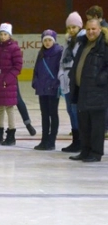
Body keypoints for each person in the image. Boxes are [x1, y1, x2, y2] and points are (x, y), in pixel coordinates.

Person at [68, 19, 108, 162]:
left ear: (99, 29)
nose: (91, 32)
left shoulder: (104, 45)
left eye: (94, 29)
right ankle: (85, 151)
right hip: (82, 90)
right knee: (84, 124)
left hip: (97, 92)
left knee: (96, 126)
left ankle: (96, 153)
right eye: (89, 29)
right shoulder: (83, 44)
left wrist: (100, 79)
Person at [0, 23, 23, 146]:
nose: (2, 36)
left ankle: (11, 135)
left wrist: (7, 80)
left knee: (9, 108)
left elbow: (17, 66)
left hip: (8, 84)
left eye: (5, 34)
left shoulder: (14, 48)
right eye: (1, 34)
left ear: (9, 35)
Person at [58, 11, 85, 152]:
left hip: (76, 80)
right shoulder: (68, 42)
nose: (71, 30)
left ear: (79, 27)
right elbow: (62, 61)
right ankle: (75, 140)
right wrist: (61, 75)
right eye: (69, 27)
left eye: (74, 27)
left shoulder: (82, 41)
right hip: (66, 80)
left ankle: (81, 140)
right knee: (70, 110)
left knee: (75, 110)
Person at [32, 30, 63, 150]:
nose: (47, 42)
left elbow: (60, 69)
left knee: (53, 113)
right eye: (45, 40)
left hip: (53, 88)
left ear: (54, 41)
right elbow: (36, 69)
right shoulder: (41, 53)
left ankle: (51, 140)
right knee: (44, 114)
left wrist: (56, 83)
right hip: (42, 88)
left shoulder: (59, 52)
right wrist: (35, 82)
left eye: (50, 40)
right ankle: (44, 139)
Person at [85, 5, 108, 137]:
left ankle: (105, 127)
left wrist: (102, 76)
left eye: (91, 19)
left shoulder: (104, 33)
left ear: (98, 18)